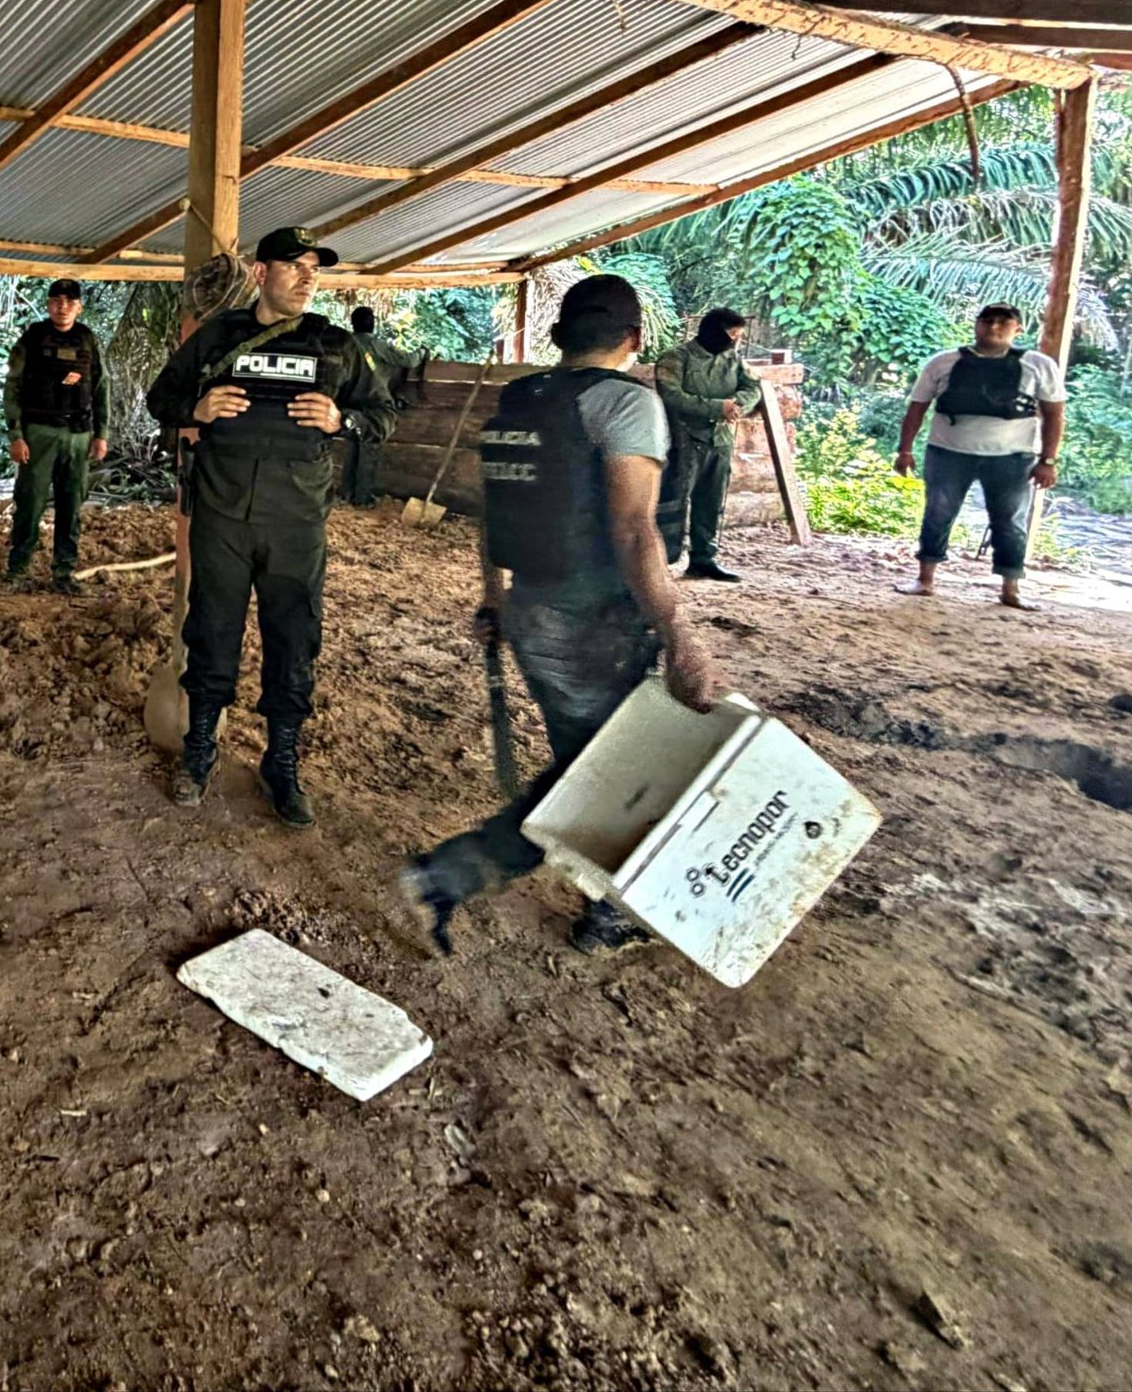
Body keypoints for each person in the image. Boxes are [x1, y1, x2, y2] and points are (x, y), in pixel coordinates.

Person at [396, 275, 720, 957]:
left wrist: (494, 598)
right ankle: (465, 874)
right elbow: (635, 529)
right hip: (592, 619)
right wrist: (681, 635)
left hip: (532, 610)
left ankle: (599, 903)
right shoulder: (626, 405)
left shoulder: (520, 399)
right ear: (635, 340)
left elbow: (494, 511)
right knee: (607, 773)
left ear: (557, 337)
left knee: (588, 761)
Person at [144, 226, 397, 828]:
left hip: (296, 521)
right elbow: (162, 397)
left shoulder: (334, 346)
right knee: (211, 629)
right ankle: (201, 750)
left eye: (315, 268)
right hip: (222, 513)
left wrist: (342, 421)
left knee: (292, 639)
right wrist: (196, 410)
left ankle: (281, 762)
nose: (309, 277)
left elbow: (383, 414)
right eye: (295, 266)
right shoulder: (219, 336)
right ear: (261, 273)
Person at [894, 303, 1065, 611]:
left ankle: (1010, 588)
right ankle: (925, 580)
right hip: (948, 452)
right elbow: (917, 407)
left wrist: (1048, 460)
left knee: (1010, 522)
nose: (994, 327)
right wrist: (905, 450)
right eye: (987, 321)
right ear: (976, 324)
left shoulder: (1038, 365)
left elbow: (1054, 414)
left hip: (1012, 457)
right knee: (937, 514)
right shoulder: (943, 362)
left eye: (1004, 322)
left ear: (1018, 329)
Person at [5, 278, 110, 591]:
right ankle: (17, 571)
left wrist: (101, 433)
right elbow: (12, 388)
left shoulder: (87, 340)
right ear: (48, 304)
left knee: (71, 504)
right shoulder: (33, 339)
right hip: (39, 433)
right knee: (30, 503)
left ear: (79, 307)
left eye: (69, 301)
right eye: (56, 300)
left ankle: (63, 573)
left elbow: (102, 388)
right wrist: (16, 436)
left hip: (78, 434)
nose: (62, 307)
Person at [653, 307, 761, 582]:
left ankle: (703, 559)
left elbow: (753, 388)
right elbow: (672, 395)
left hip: (720, 440)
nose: (735, 340)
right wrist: (717, 407)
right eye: (732, 334)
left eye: (739, 335)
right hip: (681, 440)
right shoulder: (675, 358)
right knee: (672, 501)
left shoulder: (734, 360)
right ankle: (658, 562)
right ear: (714, 332)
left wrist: (737, 406)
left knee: (711, 501)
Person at [345, 306, 423, 507]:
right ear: (372, 323)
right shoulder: (378, 345)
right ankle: (362, 498)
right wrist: (422, 352)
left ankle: (346, 492)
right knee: (370, 446)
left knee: (352, 446)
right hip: (374, 403)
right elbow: (410, 360)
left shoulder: (346, 343)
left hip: (348, 402)